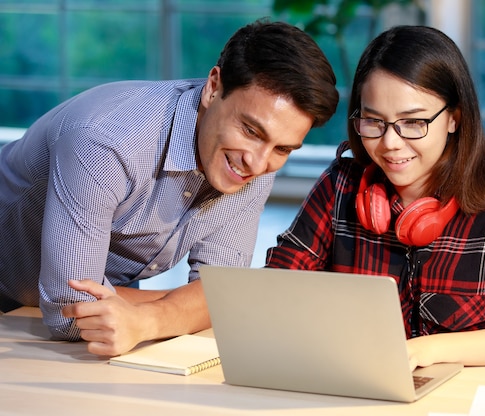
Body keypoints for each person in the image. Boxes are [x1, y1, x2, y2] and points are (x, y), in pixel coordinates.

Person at [0, 19, 338, 356]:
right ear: (214, 87)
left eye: (282, 149)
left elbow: (221, 294)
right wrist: (178, 307)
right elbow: (69, 312)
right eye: (251, 131)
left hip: (69, 313)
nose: (259, 164)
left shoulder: (253, 161)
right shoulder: (107, 143)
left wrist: (151, 317)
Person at [265, 25, 485, 368]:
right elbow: (273, 289)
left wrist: (427, 350)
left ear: (454, 118)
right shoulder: (339, 188)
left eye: (412, 123)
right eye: (374, 121)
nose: (390, 143)